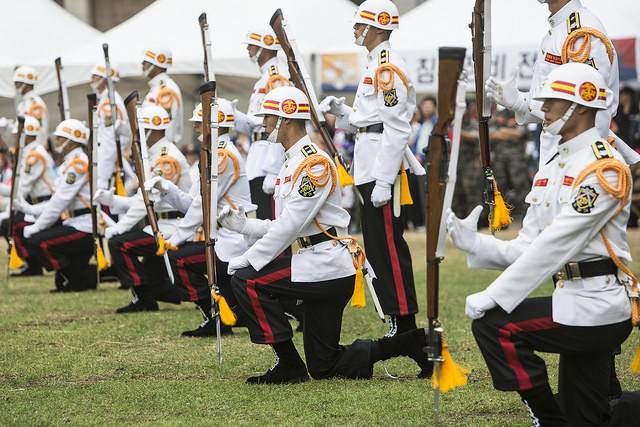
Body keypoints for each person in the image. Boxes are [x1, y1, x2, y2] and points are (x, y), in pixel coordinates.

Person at [447, 63, 635, 426]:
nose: (542, 108)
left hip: (598, 306)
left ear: (580, 107)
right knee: (593, 416)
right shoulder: (554, 164)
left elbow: (555, 244)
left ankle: (548, 420)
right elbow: (529, 245)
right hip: (572, 300)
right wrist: (476, 245)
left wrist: (496, 294)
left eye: (551, 101)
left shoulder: (605, 168)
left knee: (495, 325)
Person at [218, 86, 432, 384]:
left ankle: (288, 364)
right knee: (324, 364)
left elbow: (289, 226)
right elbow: (288, 223)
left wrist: (248, 258)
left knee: (247, 281)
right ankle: (412, 342)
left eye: (268, 116)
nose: (263, 122)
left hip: (326, 267)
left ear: (287, 120)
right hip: (315, 263)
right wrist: (244, 227)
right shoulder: (293, 160)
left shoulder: (313, 164)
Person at [319, 0, 425, 338]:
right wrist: (346, 114)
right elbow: (371, 121)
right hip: (369, 159)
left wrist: (383, 179)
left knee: (388, 245)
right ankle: (397, 318)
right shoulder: (374, 63)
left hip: (382, 164)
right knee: (377, 244)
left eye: (359, 24)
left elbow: (395, 128)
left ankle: (404, 319)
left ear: (377, 27)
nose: (354, 29)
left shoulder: (387, 66)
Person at [145, 99, 255, 337]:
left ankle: (213, 315)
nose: (194, 127)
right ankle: (222, 315)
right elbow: (193, 203)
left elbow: (201, 206)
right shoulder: (214, 154)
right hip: (222, 234)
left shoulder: (223, 156)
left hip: (234, 237)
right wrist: (166, 188)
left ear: (215, 124)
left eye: (199, 122)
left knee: (180, 260)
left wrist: (177, 237)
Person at [486, 0, 640, 167]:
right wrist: (520, 102)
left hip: (573, 163)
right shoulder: (560, 28)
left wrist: (575, 168)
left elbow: (593, 109)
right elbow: (559, 106)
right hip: (556, 160)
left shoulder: (580, 33)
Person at [95, 105, 191, 313]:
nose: (136, 136)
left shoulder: (166, 157)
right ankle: (159, 292)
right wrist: (112, 200)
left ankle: (145, 298)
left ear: (152, 131)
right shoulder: (154, 155)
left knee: (119, 244)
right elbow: (141, 201)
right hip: (160, 222)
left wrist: (120, 227)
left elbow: (147, 201)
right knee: (144, 260)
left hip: (173, 225)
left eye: (139, 131)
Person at [20, 119, 96, 292]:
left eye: (61, 138)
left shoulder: (78, 164)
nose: (57, 141)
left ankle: (75, 275)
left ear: (72, 141)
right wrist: (28, 209)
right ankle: (79, 275)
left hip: (84, 226)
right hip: (74, 222)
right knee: (63, 282)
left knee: (39, 242)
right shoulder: (69, 164)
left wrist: (37, 226)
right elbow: (55, 201)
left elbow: (60, 202)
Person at [236, 26, 289, 220]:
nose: (248, 50)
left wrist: (273, 169)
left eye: (251, 46)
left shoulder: (276, 77)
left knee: (270, 220)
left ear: (264, 47)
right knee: (261, 220)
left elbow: (280, 121)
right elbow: (255, 123)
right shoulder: (264, 79)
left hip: (268, 155)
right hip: (258, 155)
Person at [0, 117, 56, 276]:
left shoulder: (34, 156)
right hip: (33, 201)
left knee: (12, 225)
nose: (15, 137)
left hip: (44, 203)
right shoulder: (29, 153)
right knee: (9, 224)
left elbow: (21, 190)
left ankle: (37, 263)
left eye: (19, 134)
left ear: (28, 135)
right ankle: (33, 264)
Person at [89, 64, 133, 191]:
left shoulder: (109, 103)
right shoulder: (106, 100)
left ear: (104, 79)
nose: (91, 79)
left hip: (108, 168)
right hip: (107, 164)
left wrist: (102, 178)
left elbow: (110, 143)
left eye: (95, 76)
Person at [490, 109, 531, 219]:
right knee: (499, 189)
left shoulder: (519, 113)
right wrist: (510, 132)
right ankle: (502, 218)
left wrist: (502, 131)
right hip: (499, 160)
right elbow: (492, 134)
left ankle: (527, 217)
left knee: (521, 187)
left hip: (516, 160)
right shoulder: (498, 115)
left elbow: (521, 133)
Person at [141, 48, 183, 143]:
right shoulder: (157, 88)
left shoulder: (166, 89)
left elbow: (168, 126)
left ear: (156, 64)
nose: (142, 64)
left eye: (145, 61)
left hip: (160, 147)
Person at [13, 66, 48, 147]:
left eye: (17, 83)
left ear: (26, 84)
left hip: (34, 149)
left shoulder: (35, 104)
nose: (15, 86)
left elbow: (39, 133)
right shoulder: (23, 103)